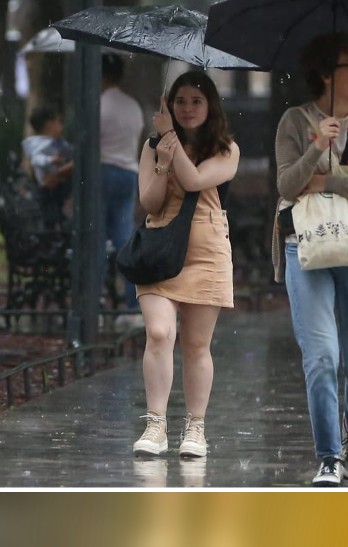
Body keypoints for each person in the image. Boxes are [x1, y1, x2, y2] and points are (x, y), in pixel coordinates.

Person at [273, 33, 348, 487]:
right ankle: (328, 456)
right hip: (306, 247)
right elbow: (287, 186)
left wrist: (329, 179)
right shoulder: (293, 120)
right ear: (326, 73)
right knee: (321, 356)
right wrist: (314, 148)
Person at [131, 70, 239, 459]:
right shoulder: (153, 146)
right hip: (160, 247)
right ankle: (156, 423)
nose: (188, 108)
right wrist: (161, 158)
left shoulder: (226, 149)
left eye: (196, 100)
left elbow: (193, 181)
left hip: (206, 251)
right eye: (180, 101)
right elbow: (151, 203)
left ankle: (196, 427)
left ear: (210, 106)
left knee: (196, 345)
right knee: (159, 333)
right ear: (168, 105)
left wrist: (171, 142)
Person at [99, 54, 145, 317]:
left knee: (95, 239)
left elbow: (91, 145)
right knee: (124, 239)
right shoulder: (133, 106)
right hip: (128, 172)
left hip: (102, 171)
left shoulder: (98, 105)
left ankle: (95, 299)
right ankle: (133, 302)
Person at [22, 105, 74, 229]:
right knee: (52, 219)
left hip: (59, 185)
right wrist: (50, 160)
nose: (61, 126)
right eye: (58, 122)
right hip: (49, 188)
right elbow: (36, 159)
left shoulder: (58, 142)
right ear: (49, 124)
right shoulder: (38, 144)